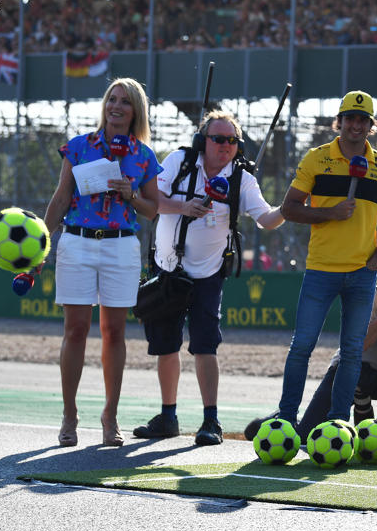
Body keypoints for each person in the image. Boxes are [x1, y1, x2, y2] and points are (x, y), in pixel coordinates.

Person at [131, 110, 285, 446]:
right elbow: (152, 201)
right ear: (203, 140)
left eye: (232, 140)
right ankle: (167, 417)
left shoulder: (241, 178)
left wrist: (292, 205)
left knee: (205, 345)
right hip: (168, 267)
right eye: (218, 139)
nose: (226, 146)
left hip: (209, 273)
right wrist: (184, 206)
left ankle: (210, 420)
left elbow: (266, 218)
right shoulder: (180, 162)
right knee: (165, 345)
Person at [42, 77, 161, 447]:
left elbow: (153, 210)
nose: (117, 106)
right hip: (76, 243)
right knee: (75, 329)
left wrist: (131, 196)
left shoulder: (143, 155)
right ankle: (69, 413)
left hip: (120, 247)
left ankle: (110, 414)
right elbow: (61, 199)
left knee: (114, 332)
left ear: (135, 110)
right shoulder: (78, 147)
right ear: (104, 105)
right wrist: (41, 246)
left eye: (125, 102)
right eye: (112, 99)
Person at [275, 90, 377, 431]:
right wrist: (330, 212)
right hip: (320, 270)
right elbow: (288, 209)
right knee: (302, 346)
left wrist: (376, 261)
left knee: (352, 352)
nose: (356, 125)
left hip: (362, 275)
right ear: (339, 122)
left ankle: (337, 422)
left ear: (370, 126)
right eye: (350, 118)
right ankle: (286, 418)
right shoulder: (316, 158)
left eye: (363, 120)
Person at [245, 255, 377, 440]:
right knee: (305, 436)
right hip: (349, 373)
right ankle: (273, 423)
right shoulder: (372, 297)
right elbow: (359, 345)